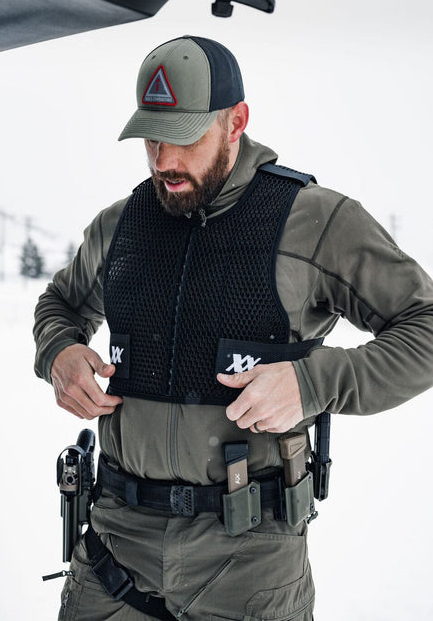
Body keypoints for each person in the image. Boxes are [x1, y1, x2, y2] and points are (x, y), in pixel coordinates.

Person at [34, 35, 433, 621]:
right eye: (152, 139)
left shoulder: (314, 220)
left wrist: (313, 382)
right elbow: (60, 305)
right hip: (115, 550)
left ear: (235, 121)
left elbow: (425, 325)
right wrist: (59, 353)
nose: (163, 161)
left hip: (250, 563)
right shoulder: (121, 225)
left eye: (184, 138)